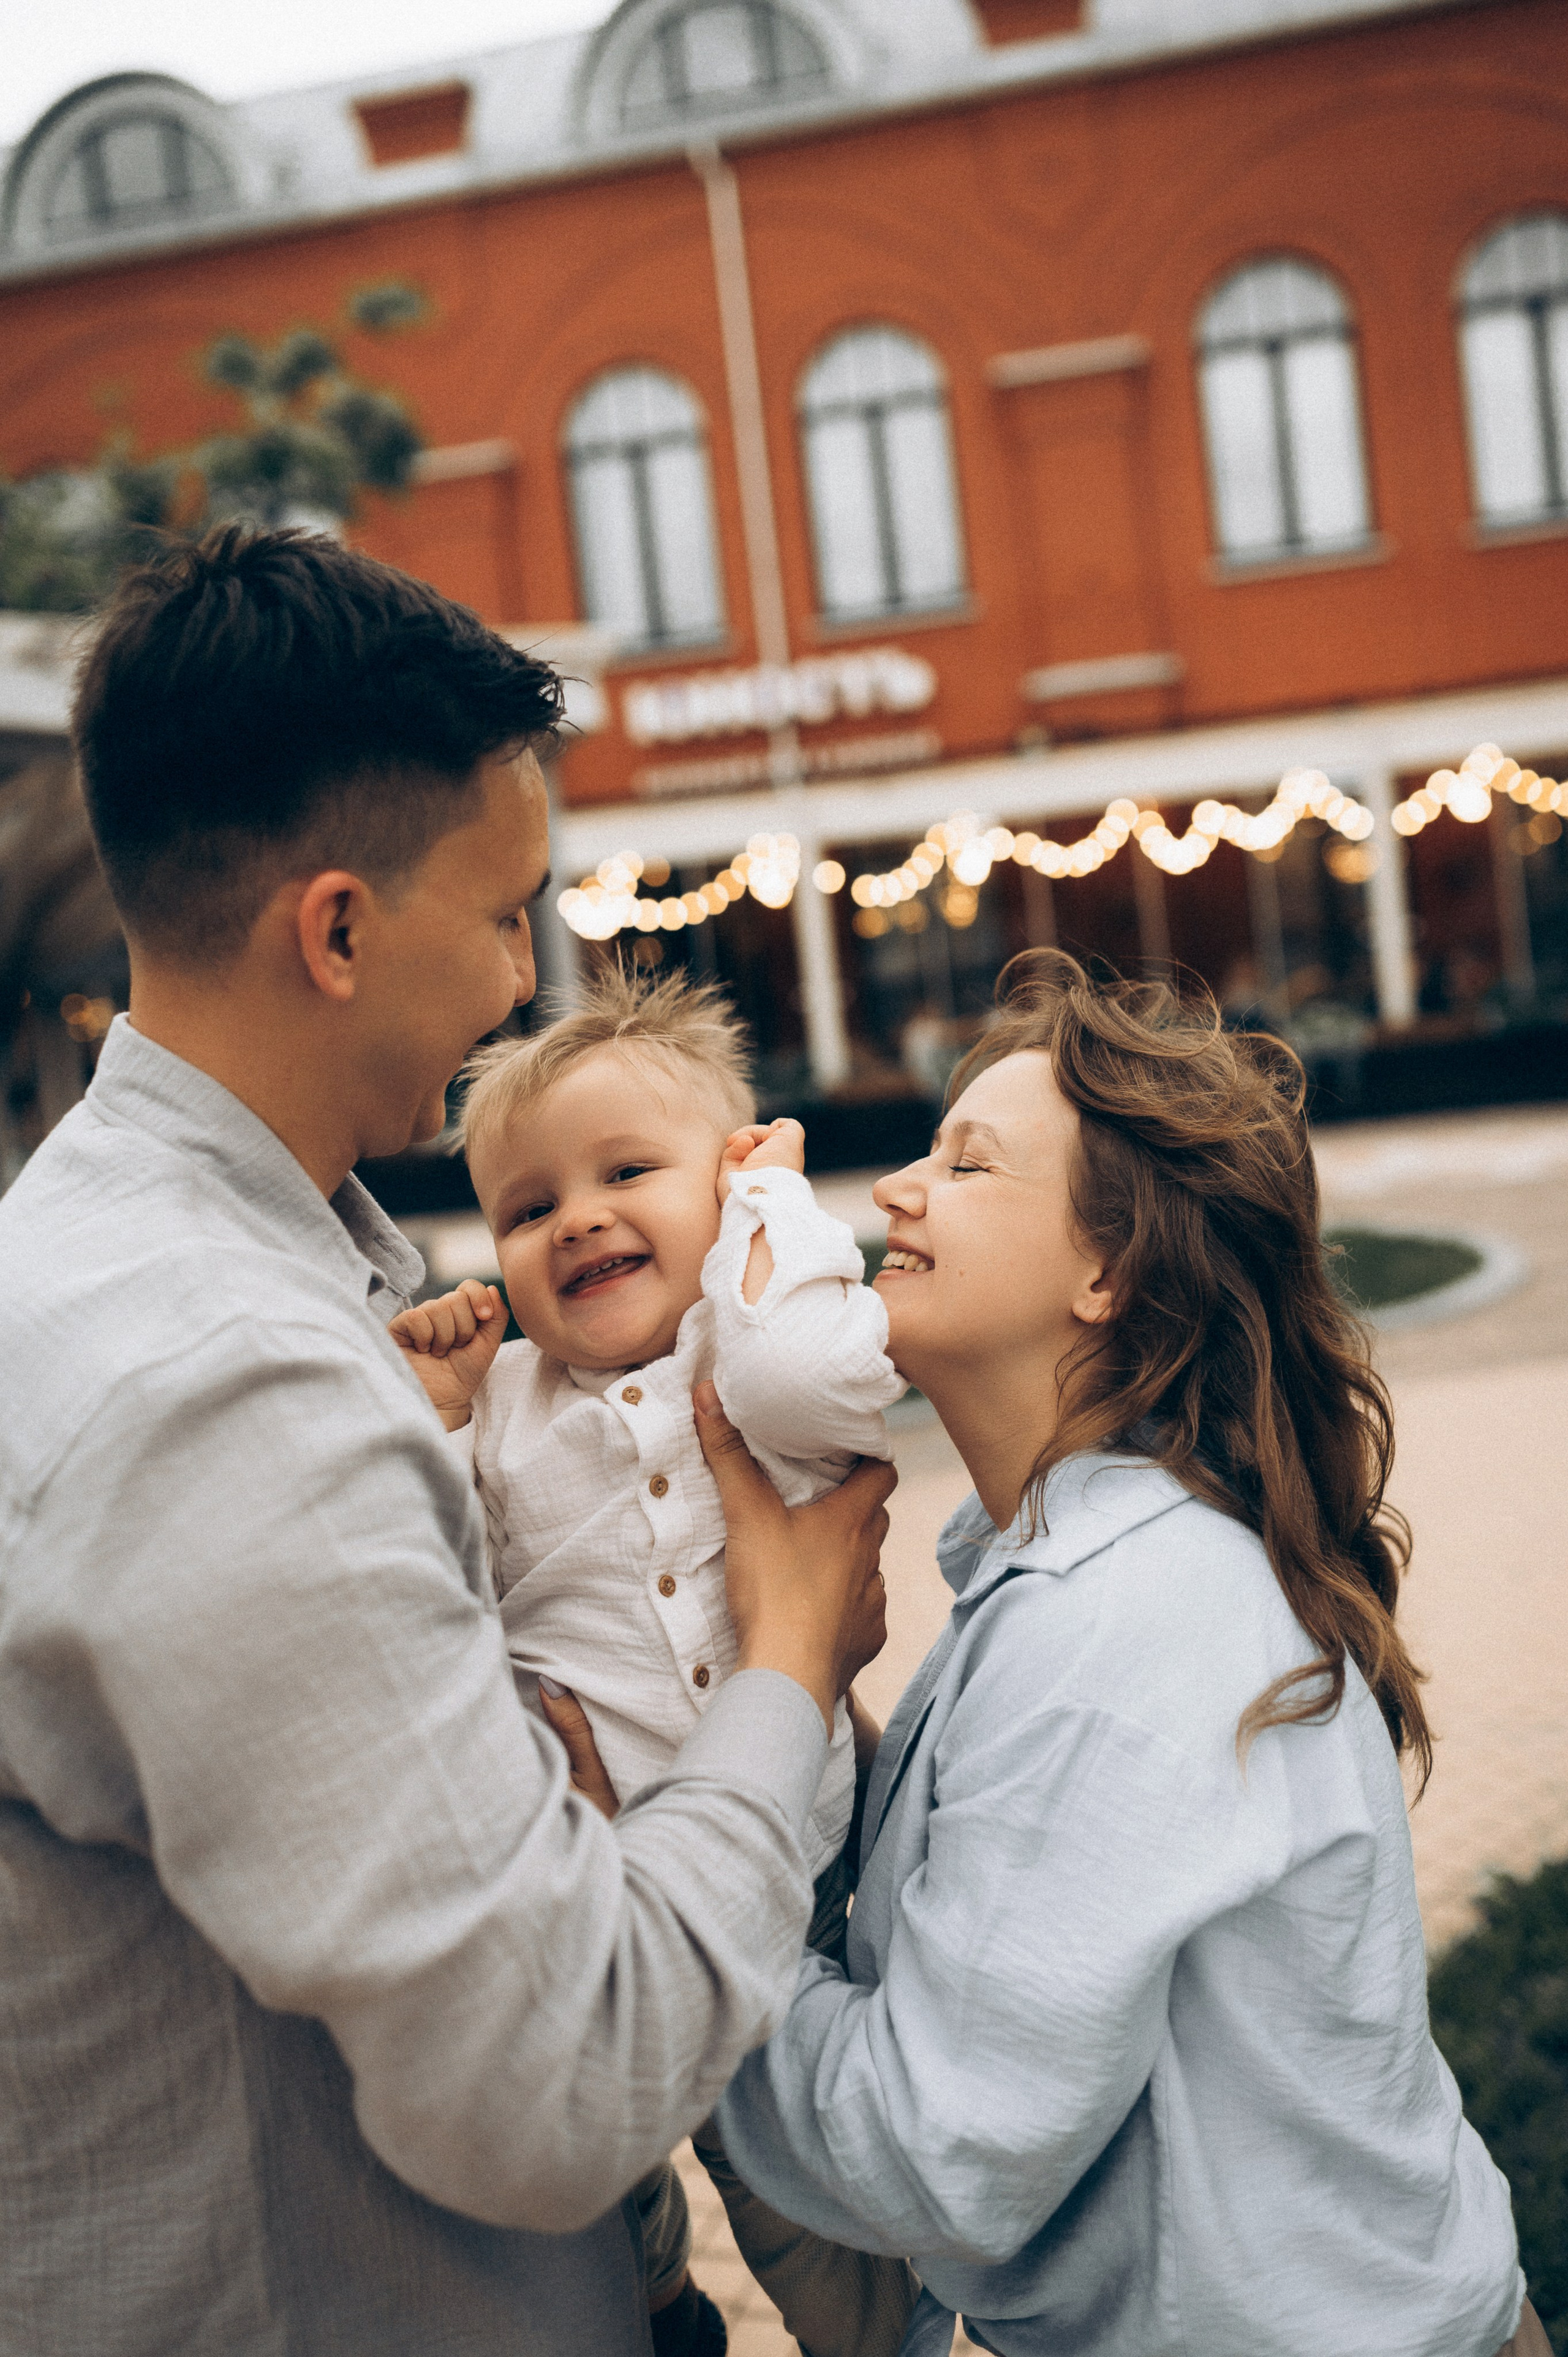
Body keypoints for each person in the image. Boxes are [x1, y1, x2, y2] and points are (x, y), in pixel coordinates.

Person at [0, 527, 894, 2357]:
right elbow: (557, 2080)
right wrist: (789, 1660)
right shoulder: (227, 1388)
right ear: (335, 929)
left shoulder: (113, 1262)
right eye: (505, 918)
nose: (521, 983)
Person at [702, 949, 1544, 2357]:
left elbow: (935, 2148)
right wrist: (793, 1707)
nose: (895, 1189)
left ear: (1109, 1269)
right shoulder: (1085, 1575)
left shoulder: (1123, 1617)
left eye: (966, 1166)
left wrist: (687, 1938)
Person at [390, 967, 918, 2357]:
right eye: (526, 1206)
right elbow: (432, 1584)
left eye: (628, 1170)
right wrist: (438, 1417)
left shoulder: (749, 1357)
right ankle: (655, 2301)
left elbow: (823, 1382)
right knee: (596, 2195)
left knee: (807, 2207)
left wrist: (774, 1200)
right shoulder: (507, 1409)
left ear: (727, 1178)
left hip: (790, 1895)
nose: (577, 1217)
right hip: (585, 1901)